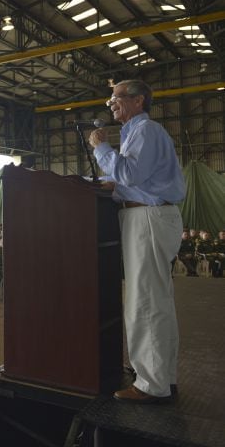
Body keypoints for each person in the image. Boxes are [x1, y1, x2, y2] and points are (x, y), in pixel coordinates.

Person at [89, 79, 185, 404]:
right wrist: (111, 183)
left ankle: (151, 386)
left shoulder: (145, 131)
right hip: (148, 217)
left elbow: (129, 174)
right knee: (156, 302)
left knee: (144, 304)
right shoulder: (136, 133)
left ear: (138, 100)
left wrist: (101, 148)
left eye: (116, 97)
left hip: (147, 219)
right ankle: (162, 378)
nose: (111, 104)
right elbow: (133, 179)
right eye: (110, 100)